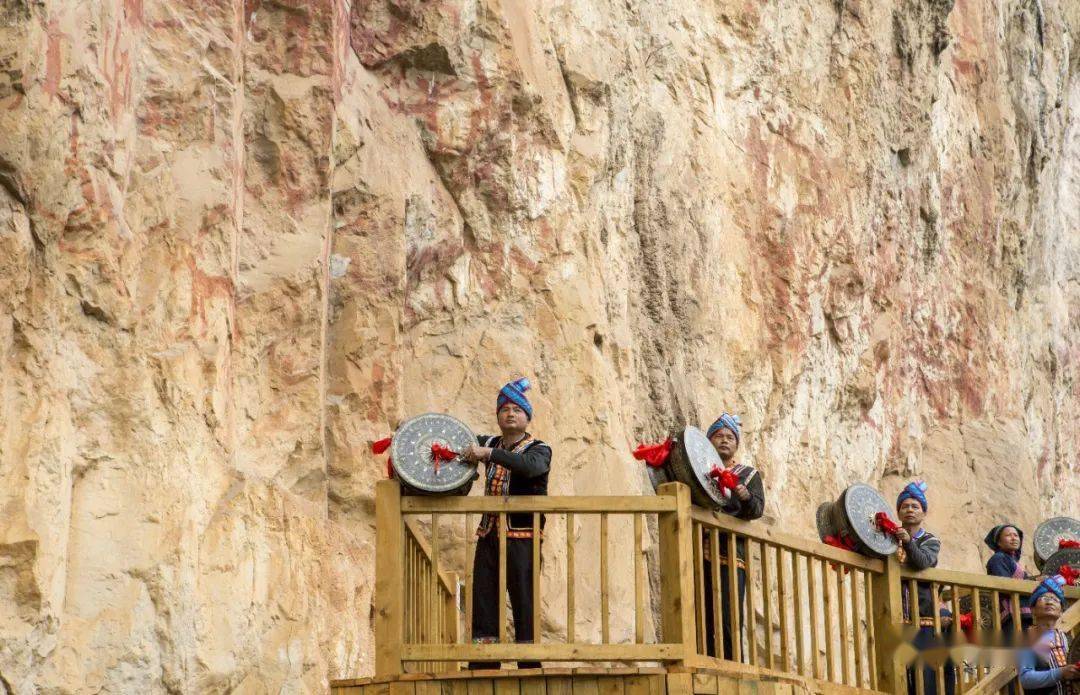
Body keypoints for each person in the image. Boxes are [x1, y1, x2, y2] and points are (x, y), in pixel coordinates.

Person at [463, 378, 552, 670]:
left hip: (522, 537)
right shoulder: (489, 442)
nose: (510, 414)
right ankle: (484, 664)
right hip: (489, 534)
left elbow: (530, 468)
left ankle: (529, 666)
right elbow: (457, 438)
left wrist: (490, 455)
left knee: (524, 599)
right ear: (498, 416)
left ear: (527, 417)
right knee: (484, 597)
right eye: (505, 409)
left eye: (517, 409)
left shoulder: (539, 449)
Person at [701, 413, 764, 660]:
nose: (724, 441)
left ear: (736, 444)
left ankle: (731, 663)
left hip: (731, 554)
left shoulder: (748, 475)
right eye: (718, 436)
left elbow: (757, 509)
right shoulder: (702, 469)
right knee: (703, 610)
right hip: (701, 548)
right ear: (709, 441)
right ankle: (704, 659)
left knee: (729, 615)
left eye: (729, 437)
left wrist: (745, 495)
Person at [895, 480, 954, 695]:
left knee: (923, 672)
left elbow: (923, 562)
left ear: (923, 513)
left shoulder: (930, 540)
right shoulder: (890, 538)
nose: (909, 510)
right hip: (896, 613)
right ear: (899, 512)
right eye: (905, 506)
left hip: (923, 617)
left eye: (915, 506)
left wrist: (908, 542)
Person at [1016, 575, 1078, 695]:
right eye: (1043, 598)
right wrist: (1060, 673)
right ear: (1033, 609)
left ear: (1061, 611)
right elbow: (1026, 679)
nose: (1049, 601)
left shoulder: (1067, 639)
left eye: (1055, 599)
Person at [985, 524, 1036, 637]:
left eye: (1016, 535)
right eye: (1008, 535)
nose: (1014, 538)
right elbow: (1005, 585)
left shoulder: (1013, 562)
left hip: (1022, 615)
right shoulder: (998, 559)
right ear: (999, 542)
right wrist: (1033, 582)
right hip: (1011, 615)